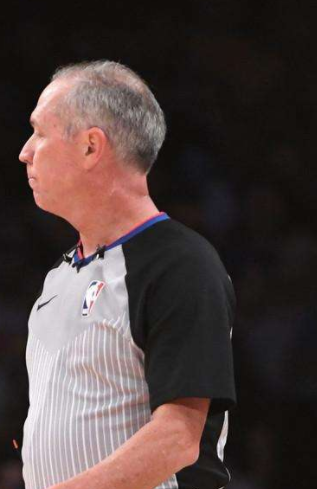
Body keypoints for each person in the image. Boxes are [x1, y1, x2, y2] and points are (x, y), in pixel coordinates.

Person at [18, 61, 236, 489]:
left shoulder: (182, 265)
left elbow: (178, 438)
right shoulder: (59, 275)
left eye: (39, 132)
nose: (25, 152)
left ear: (90, 147)